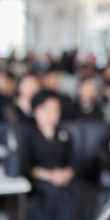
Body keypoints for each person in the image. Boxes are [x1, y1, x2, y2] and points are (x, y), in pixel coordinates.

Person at [23, 90, 76, 220]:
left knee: (79, 190)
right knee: (53, 193)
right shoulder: (28, 135)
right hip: (40, 181)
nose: (51, 114)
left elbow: (73, 160)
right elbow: (27, 166)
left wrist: (67, 173)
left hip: (63, 178)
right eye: (46, 109)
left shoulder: (65, 134)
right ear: (35, 110)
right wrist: (49, 176)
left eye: (55, 110)